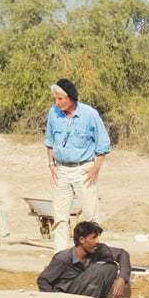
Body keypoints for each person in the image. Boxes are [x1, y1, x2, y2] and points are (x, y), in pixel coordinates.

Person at [45, 79, 111, 253]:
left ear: (71, 97)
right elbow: (49, 141)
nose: (57, 103)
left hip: (84, 169)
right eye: (55, 99)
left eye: (60, 99)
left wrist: (96, 168)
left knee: (90, 215)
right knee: (60, 217)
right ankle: (60, 256)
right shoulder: (53, 113)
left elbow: (103, 144)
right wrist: (51, 164)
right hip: (61, 170)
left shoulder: (89, 114)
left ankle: (90, 255)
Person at [37, 221, 130, 298]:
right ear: (81, 239)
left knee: (111, 267)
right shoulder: (63, 258)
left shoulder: (98, 249)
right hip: (68, 295)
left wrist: (122, 278)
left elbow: (122, 254)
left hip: (87, 291)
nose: (97, 241)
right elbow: (43, 280)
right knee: (98, 270)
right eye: (93, 238)